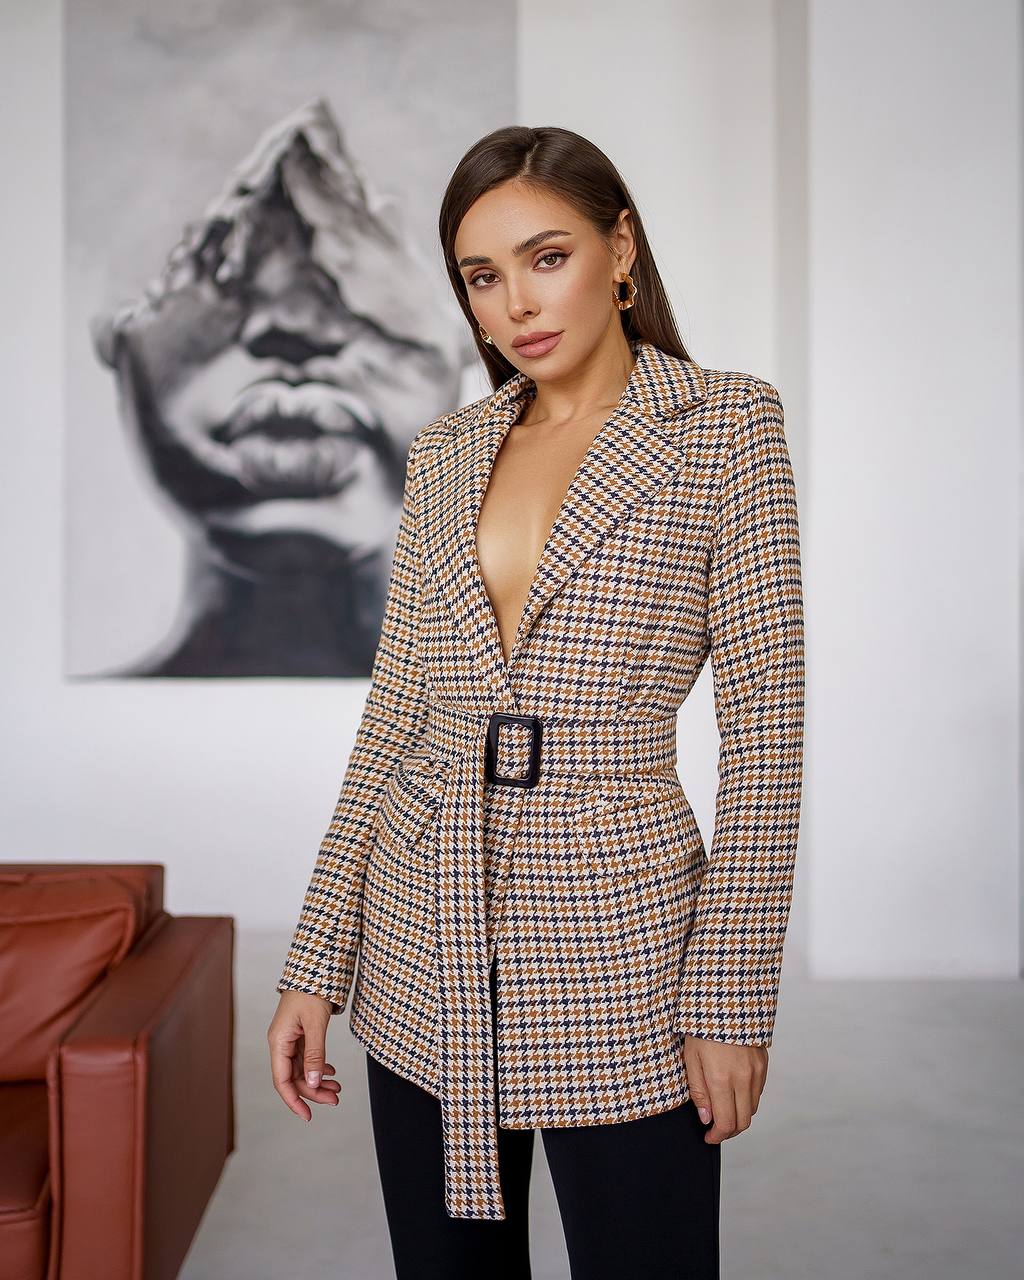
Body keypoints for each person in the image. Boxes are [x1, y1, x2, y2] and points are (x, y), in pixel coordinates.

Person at [268, 124, 805, 1280]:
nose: (515, 302)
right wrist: (316, 958)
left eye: (545, 257)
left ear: (621, 248)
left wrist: (730, 999)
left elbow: (766, 733)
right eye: (481, 275)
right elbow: (395, 712)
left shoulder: (726, 427)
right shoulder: (444, 450)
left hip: (621, 936)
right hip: (422, 926)